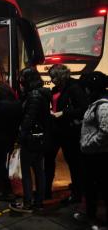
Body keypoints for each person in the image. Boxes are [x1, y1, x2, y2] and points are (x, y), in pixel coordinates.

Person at [9, 67, 51, 213]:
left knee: (27, 172)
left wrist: (19, 139)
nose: (20, 83)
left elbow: (28, 120)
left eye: (22, 80)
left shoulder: (33, 96)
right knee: (40, 171)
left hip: (31, 139)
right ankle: (39, 202)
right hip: (41, 138)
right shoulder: (43, 94)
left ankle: (28, 203)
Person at [46, 64, 88, 203]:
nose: (51, 80)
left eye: (53, 77)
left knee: (74, 162)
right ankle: (46, 190)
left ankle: (78, 193)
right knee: (49, 158)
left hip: (69, 130)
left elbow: (83, 109)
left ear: (61, 76)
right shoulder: (58, 89)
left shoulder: (74, 88)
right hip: (56, 129)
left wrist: (63, 113)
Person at [73, 71, 108, 230]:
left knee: (100, 186)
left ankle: (99, 220)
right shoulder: (95, 103)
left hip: (98, 155)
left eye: (86, 88)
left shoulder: (103, 105)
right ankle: (90, 215)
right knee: (90, 187)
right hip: (92, 154)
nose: (84, 91)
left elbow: (106, 131)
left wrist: (89, 143)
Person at [0, 82, 21, 201]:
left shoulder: (1, 105)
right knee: (4, 164)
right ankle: (4, 187)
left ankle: (7, 191)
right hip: (11, 137)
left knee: (1, 164)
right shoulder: (17, 104)